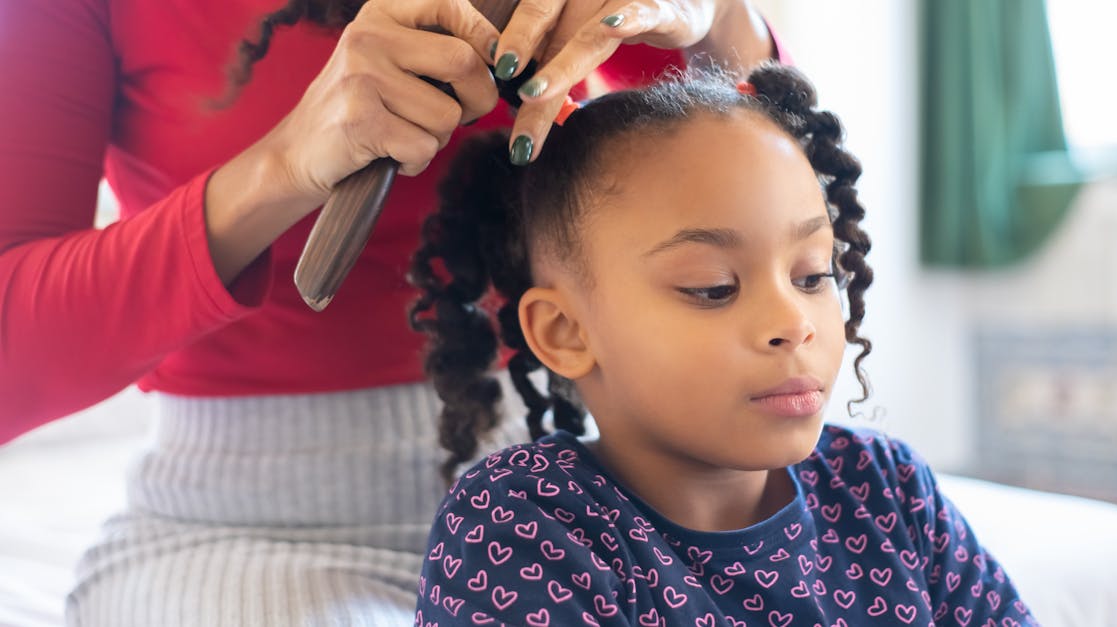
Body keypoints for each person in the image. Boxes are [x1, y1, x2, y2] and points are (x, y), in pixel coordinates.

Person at [0, 0, 784, 624]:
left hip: (590, 496)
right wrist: (283, 165)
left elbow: (800, 235)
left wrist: (723, 22)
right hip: (249, 535)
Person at [409, 64, 1040, 625]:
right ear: (565, 332)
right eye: (714, 288)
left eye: (812, 275)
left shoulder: (886, 489)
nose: (794, 322)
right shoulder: (523, 524)